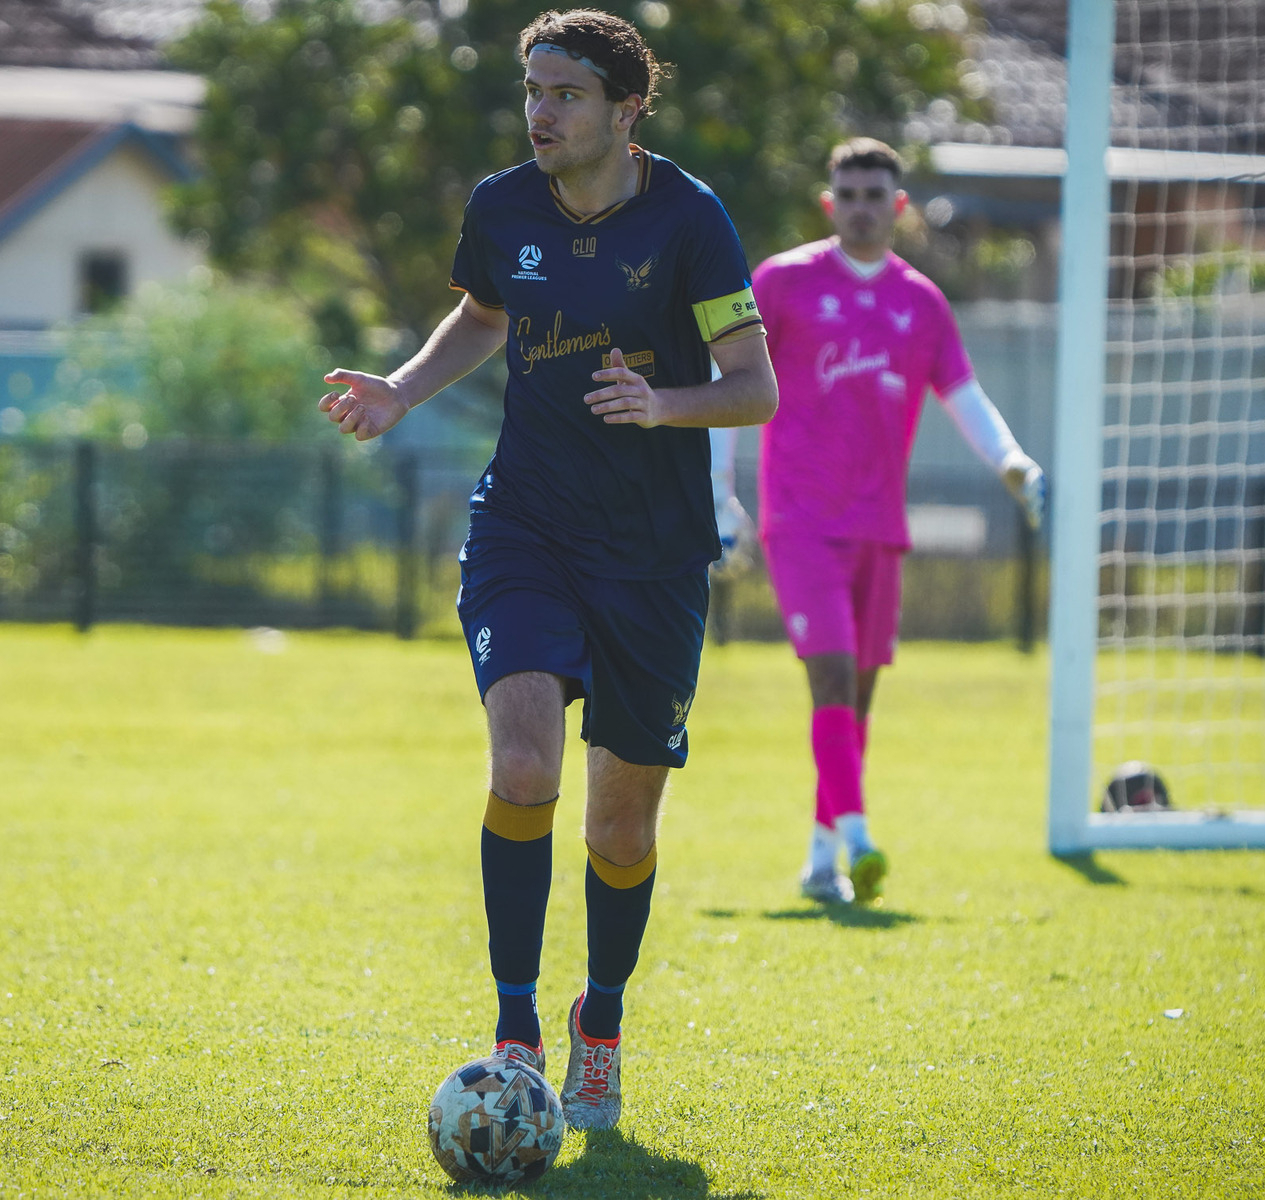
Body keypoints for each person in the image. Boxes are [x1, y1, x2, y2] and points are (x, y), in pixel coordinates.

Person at [317, 9, 776, 1130]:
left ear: (625, 110)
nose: (541, 111)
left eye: (566, 93)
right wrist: (397, 388)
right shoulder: (501, 204)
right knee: (523, 765)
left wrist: (664, 405)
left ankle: (599, 1022)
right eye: (533, 89)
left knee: (619, 830)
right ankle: (513, 1025)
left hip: (653, 557)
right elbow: (480, 315)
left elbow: (754, 385)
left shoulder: (688, 218)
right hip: (523, 523)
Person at [722, 137, 1044, 905]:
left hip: (879, 525)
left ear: (897, 208)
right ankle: (859, 836)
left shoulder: (920, 302)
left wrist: (1013, 462)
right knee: (829, 675)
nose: (861, 206)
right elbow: (725, 382)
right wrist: (716, 496)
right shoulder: (782, 283)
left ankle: (818, 856)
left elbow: (962, 394)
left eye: (876, 195)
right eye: (848, 193)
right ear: (829, 203)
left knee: (857, 700)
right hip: (798, 520)